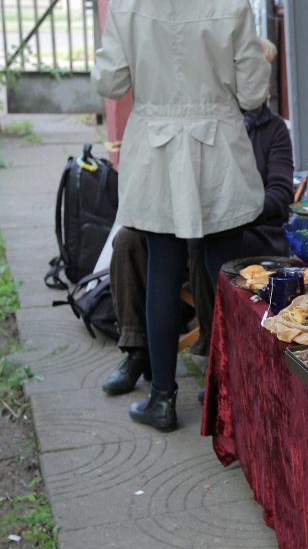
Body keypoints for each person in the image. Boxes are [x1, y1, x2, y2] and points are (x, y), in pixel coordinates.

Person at [91, 0, 271, 431]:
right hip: (218, 155)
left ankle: (162, 399)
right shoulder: (229, 1)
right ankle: (241, 392)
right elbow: (253, 94)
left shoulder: (127, 0)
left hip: (155, 153)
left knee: (161, 272)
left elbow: (109, 83)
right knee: (229, 276)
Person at [100, 39, 294, 396]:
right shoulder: (207, 121)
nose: (258, 88)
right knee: (128, 239)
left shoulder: (273, 130)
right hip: (184, 220)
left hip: (250, 230)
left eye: (262, 79)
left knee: (209, 241)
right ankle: (137, 349)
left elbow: (280, 198)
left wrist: (232, 205)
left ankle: (213, 355)